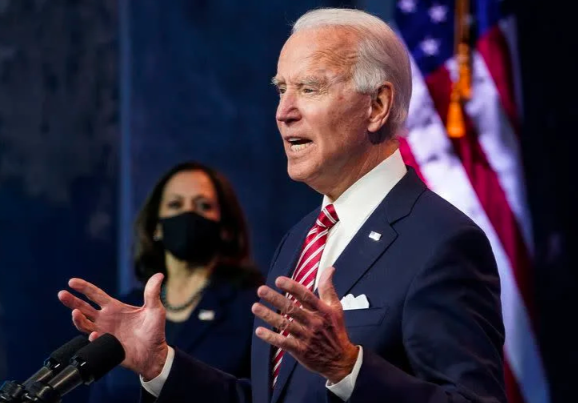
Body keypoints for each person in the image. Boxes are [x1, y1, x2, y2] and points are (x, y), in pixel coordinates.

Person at [58, 8, 506, 403]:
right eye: (281, 90)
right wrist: (160, 365)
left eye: (309, 89)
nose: (283, 111)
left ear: (378, 105)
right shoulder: (301, 238)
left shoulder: (442, 241)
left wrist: (348, 369)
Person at [87, 161, 263, 403]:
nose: (188, 213)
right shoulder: (126, 309)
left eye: (203, 206)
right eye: (175, 205)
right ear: (156, 227)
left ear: (225, 228)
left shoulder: (252, 310)